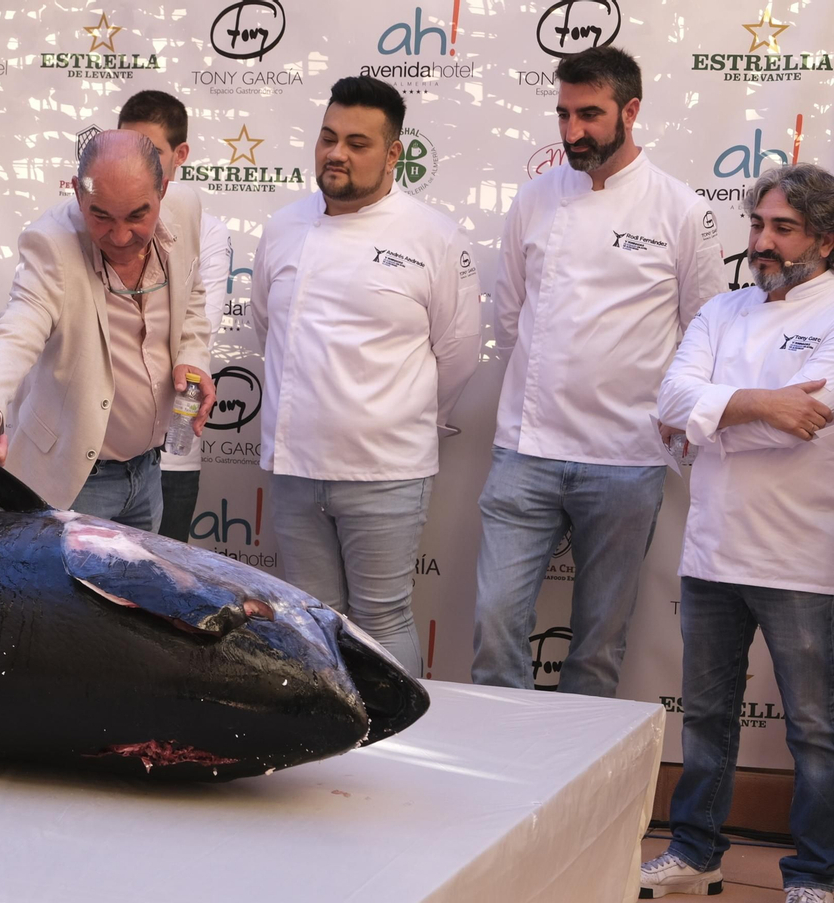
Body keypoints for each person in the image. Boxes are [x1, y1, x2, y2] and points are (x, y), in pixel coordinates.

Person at [469, 45, 727, 697]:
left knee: (598, 647)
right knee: (495, 623)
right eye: (563, 114)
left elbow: (706, 333)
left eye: (589, 114)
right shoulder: (533, 199)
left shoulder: (682, 211)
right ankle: (501, 782)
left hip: (625, 458)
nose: (572, 131)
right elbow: (511, 315)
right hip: (525, 450)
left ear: (631, 111)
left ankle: (577, 793)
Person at [641, 164, 834, 903]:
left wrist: (712, 421)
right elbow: (671, 397)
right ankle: (696, 852)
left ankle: (814, 873)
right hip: (714, 551)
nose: (764, 241)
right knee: (709, 718)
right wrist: (756, 406)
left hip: (803, 560)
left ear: (825, 237)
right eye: (758, 225)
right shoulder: (721, 313)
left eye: (783, 228)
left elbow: (805, 428)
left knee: (815, 731)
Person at [251, 76, 479, 674]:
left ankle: (395, 754)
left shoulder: (433, 235)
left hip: (385, 470)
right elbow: (267, 330)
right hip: (296, 467)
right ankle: (328, 752)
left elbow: (455, 355)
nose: (336, 153)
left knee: (382, 619)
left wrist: (398, 420)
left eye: (357, 142)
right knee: (313, 619)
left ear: (394, 154)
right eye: (328, 138)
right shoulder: (282, 228)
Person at [0, 130, 215, 528]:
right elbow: (16, 329)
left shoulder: (186, 208)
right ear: (79, 195)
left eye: (137, 215)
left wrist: (193, 357)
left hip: (149, 473)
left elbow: (192, 295)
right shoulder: (51, 243)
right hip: (74, 482)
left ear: (163, 191)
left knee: (134, 593)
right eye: (101, 216)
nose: (119, 236)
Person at [116, 90, 231, 542]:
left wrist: (188, 358)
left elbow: (198, 322)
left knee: (158, 602)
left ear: (181, 155)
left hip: (172, 455)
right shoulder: (94, 218)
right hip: (95, 460)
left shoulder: (203, 225)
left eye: (152, 153)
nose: (136, 165)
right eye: (126, 148)